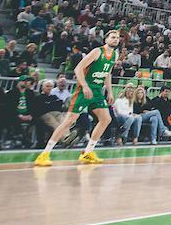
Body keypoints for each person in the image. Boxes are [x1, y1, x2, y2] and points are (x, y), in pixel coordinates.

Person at [33, 29, 121, 166]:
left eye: (117, 38)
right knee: (69, 121)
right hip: (84, 90)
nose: (116, 39)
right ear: (106, 39)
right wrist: (85, 86)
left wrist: (109, 92)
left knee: (106, 119)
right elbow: (78, 68)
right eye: (113, 37)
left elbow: (108, 73)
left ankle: (88, 152)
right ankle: (44, 154)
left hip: (97, 91)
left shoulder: (115, 55)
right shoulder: (97, 52)